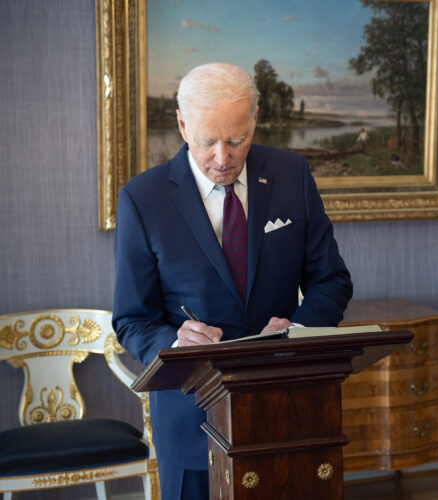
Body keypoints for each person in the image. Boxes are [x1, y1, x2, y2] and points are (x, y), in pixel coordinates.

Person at [113, 62, 353, 499]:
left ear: (255, 118)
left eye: (237, 140)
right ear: (183, 125)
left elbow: (332, 280)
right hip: (191, 417)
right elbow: (132, 320)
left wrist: (298, 330)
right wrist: (174, 343)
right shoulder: (141, 199)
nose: (222, 157)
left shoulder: (293, 175)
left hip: (287, 406)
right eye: (208, 141)